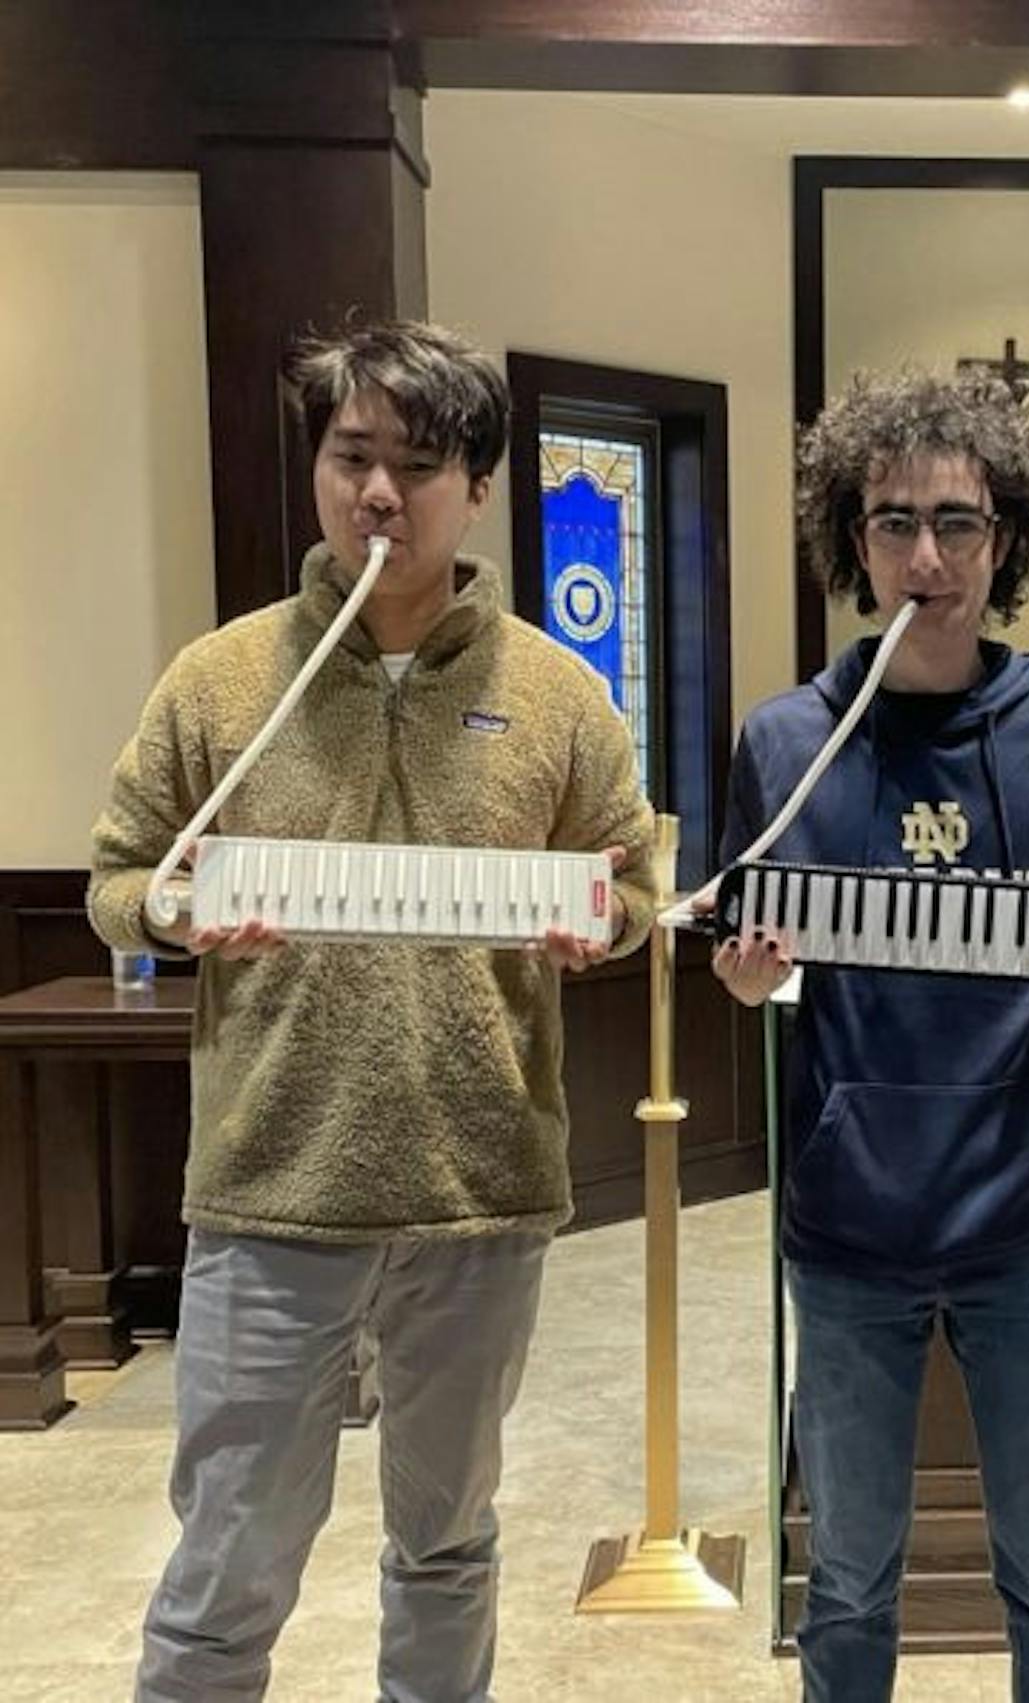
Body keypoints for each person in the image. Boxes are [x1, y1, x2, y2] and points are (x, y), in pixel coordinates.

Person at [88, 319, 659, 1703]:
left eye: (416, 463)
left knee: (448, 1545)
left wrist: (606, 921)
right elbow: (118, 876)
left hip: (479, 1193)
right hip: (269, 1189)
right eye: (352, 458)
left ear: (476, 486)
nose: (378, 495)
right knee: (229, 1562)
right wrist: (170, 912)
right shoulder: (217, 680)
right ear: (320, 471)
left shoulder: (556, 691)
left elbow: (634, 878)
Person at [714, 369, 1029, 1702]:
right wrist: (746, 979)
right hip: (853, 1228)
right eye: (894, 521)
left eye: (957, 524)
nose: (926, 555)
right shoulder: (786, 738)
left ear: (1002, 540)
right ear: (853, 542)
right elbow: (749, 969)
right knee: (845, 1582)